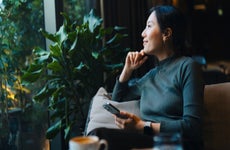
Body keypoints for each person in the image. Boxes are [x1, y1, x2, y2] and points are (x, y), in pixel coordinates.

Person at [89, 5, 204, 150]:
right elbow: (118, 99)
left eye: (149, 26)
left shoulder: (187, 67)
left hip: (178, 143)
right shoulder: (151, 76)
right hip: (149, 141)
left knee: (100, 136)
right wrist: (127, 69)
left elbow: (192, 127)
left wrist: (142, 126)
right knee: (97, 137)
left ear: (166, 33)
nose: (143, 34)